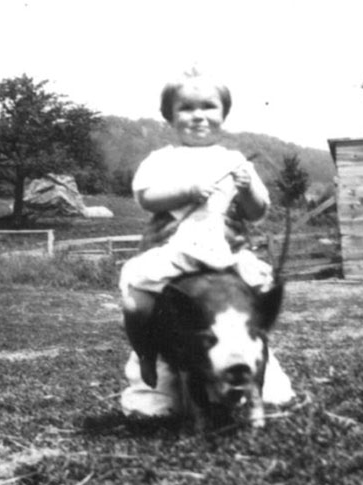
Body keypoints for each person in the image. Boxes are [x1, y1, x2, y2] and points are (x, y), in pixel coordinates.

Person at [118, 72, 295, 415]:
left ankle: (262, 377)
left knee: (258, 299)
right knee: (137, 298)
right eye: (186, 108)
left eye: (208, 107)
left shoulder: (233, 160)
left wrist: (247, 189)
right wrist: (186, 190)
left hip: (224, 250)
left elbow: (257, 212)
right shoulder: (162, 160)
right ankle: (146, 358)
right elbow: (146, 198)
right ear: (169, 117)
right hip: (178, 248)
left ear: (223, 115)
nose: (198, 116)